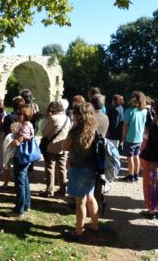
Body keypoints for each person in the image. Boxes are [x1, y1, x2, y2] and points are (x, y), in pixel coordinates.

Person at [63, 103, 99, 241]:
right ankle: (95, 226)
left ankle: (78, 233)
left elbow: (64, 147)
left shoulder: (74, 132)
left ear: (78, 115)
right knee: (90, 197)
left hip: (78, 169)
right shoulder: (95, 130)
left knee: (80, 203)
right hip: (91, 168)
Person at [41, 99, 72, 197]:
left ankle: (50, 190)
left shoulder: (53, 118)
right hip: (63, 146)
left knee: (50, 167)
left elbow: (44, 132)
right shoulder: (68, 119)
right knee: (62, 168)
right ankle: (63, 189)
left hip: (51, 146)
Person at [9, 104, 35, 217]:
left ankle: (19, 210)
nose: (17, 115)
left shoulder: (24, 127)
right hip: (26, 157)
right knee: (24, 181)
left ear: (25, 115)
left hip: (21, 157)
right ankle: (26, 205)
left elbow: (17, 142)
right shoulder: (29, 125)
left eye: (20, 113)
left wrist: (11, 139)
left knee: (19, 182)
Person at [1, 96, 25, 189]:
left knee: (7, 164)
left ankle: (6, 184)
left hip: (9, 142)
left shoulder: (8, 117)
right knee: (18, 164)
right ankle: (18, 184)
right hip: (20, 142)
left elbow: (4, 129)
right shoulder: (24, 118)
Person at [122, 91, 147, 182]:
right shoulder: (144, 111)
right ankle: (136, 175)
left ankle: (131, 176)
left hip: (130, 137)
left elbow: (125, 126)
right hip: (139, 138)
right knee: (136, 156)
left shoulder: (129, 111)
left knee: (130, 158)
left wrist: (123, 137)